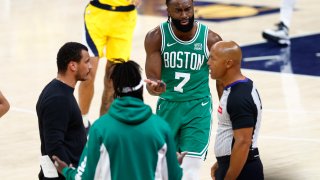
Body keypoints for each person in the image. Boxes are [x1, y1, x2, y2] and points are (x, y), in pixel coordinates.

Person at [53, 60, 185, 180]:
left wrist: (66, 170)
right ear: (141, 89)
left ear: (115, 92)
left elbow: (84, 177)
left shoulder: (100, 128)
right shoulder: (161, 127)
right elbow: (174, 176)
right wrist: (174, 163)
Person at [144, 0, 222, 179]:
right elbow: (152, 82)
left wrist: (226, 110)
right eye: (178, 10)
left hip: (198, 108)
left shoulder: (211, 39)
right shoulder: (156, 37)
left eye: (188, 9)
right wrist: (155, 87)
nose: (184, 15)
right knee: (163, 171)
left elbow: (221, 80)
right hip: (168, 107)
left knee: (190, 170)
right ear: (168, 11)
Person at [79, 0, 141, 131]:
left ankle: (104, 126)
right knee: (87, 73)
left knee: (114, 79)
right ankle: (82, 122)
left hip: (124, 18)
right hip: (97, 15)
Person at [207, 41, 264, 180]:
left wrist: (229, 174)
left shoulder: (239, 98)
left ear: (228, 63)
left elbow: (243, 142)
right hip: (235, 164)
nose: (208, 62)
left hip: (243, 170)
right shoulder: (240, 87)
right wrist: (222, 162)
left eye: (213, 58)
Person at [36, 42, 91, 179]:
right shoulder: (58, 99)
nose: (90, 66)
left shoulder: (57, 90)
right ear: (73, 66)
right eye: (87, 62)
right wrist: (72, 174)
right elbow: (54, 147)